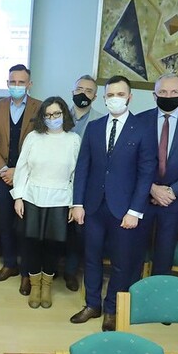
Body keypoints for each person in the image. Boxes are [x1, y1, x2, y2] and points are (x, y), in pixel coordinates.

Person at [70, 75, 156, 331]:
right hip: (93, 206)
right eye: (110, 95)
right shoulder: (94, 127)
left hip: (124, 210)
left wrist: (135, 210)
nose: (114, 99)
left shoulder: (143, 128)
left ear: (129, 97)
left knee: (121, 263)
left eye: (120, 94)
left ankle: (111, 309)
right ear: (104, 98)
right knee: (91, 258)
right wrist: (77, 203)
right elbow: (83, 167)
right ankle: (92, 304)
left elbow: (146, 173)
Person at [134, 73, 178, 277]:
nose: (168, 96)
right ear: (154, 95)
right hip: (142, 197)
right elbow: (132, 161)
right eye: (163, 92)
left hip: (175, 200)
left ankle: (158, 293)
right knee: (135, 252)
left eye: (174, 92)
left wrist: (172, 191)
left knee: (164, 256)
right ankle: (131, 292)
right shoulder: (139, 120)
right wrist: (152, 188)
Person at [12, 97, 81, 308]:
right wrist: (18, 197)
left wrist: (74, 203)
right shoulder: (33, 137)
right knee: (32, 243)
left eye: (57, 114)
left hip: (61, 198)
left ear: (64, 115)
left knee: (53, 245)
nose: (52, 118)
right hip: (32, 196)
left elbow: (76, 175)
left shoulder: (73, 139)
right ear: (42, 117)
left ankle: (47, 287)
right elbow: (22, 167)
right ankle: (35, 286)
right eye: (48, 115)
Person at [0, 64, 41, 294]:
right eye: (12, 82)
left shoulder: (40, 108)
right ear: (7, 83)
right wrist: (5, 169)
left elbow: (42, 143)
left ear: (29, 84)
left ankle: (26, 274)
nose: (16, 86)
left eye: (21, 82)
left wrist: (19, 171)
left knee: (25, 226)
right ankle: (9, 264)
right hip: (2, 175)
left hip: (29, 178)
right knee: (5, 223)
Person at [63, 75, 103, 291]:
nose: (83, 94)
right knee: (54, 226)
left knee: (77, 231)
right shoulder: (57, 115)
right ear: (72, 91)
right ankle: (50, 270)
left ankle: (70, 271)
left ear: (95, 97)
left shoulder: (100, 121)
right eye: (79, 89)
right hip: (57, 182)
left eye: (89, 91)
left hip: (84, 185)